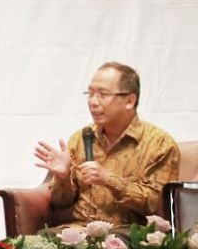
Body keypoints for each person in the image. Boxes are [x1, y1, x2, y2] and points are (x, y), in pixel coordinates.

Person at [34, 62, 180, 229]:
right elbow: (60, 202)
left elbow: (157, 205)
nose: (93, 102)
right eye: (90, 93)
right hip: (78, 231)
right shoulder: (81, 138)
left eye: (102, 94)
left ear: (130, 100)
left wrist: (108, 179)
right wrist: (63, 177)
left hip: (129, 234)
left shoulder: (159, 144)